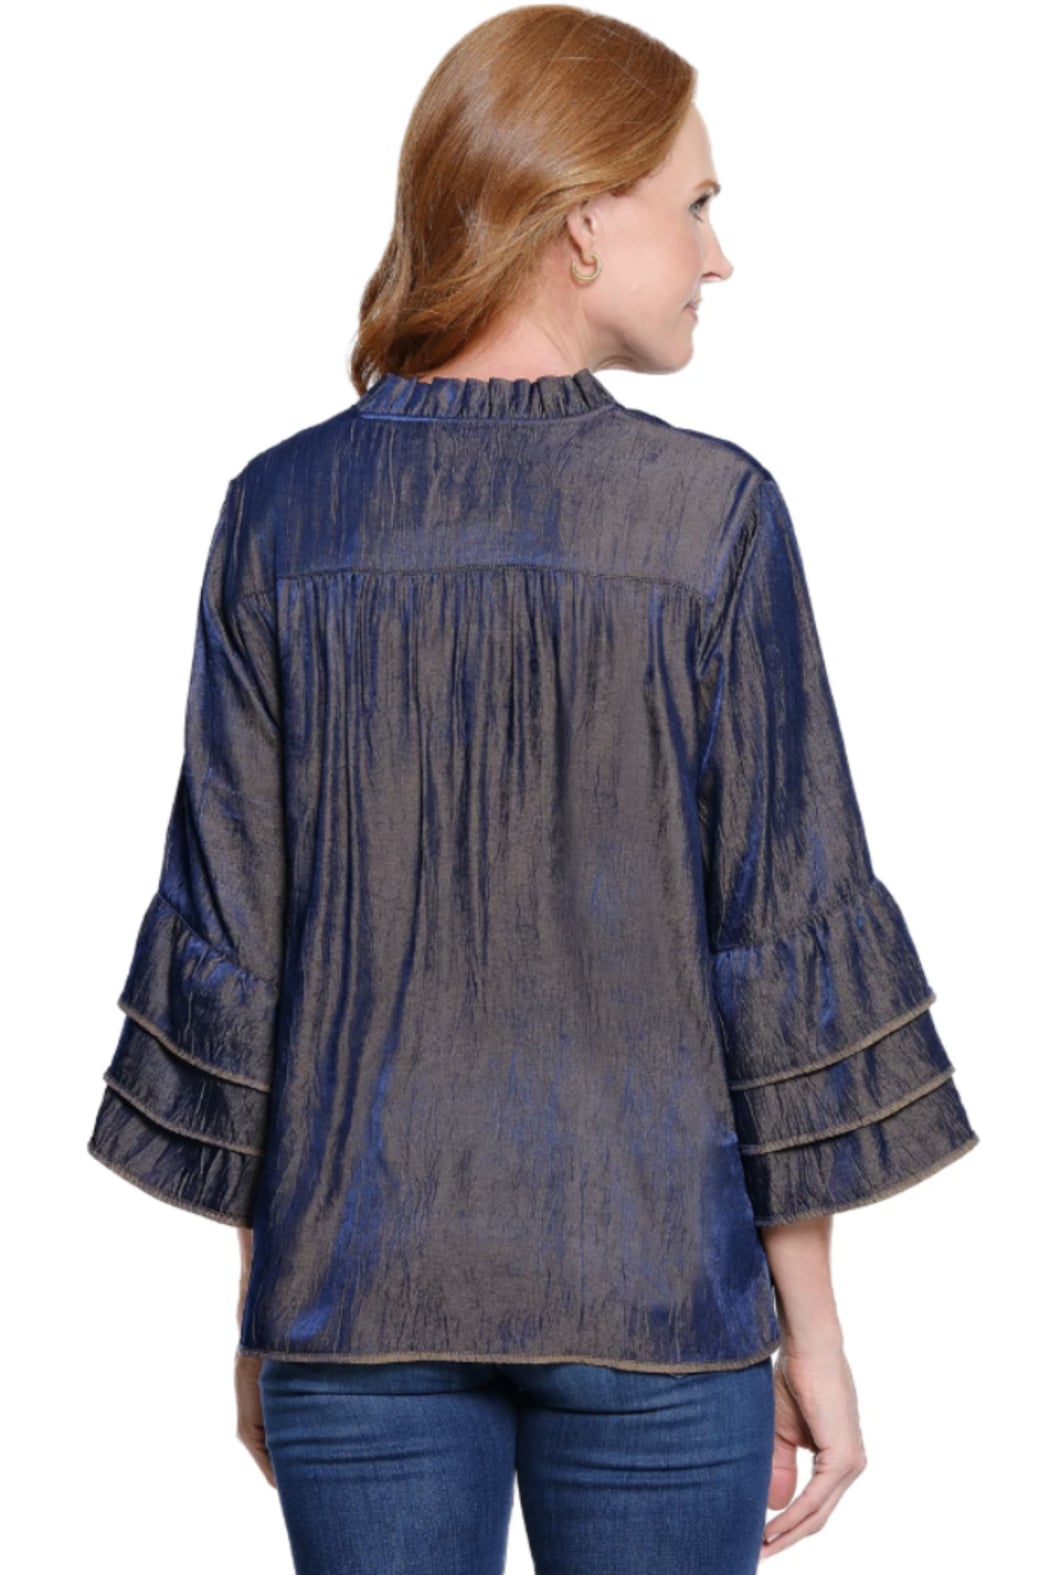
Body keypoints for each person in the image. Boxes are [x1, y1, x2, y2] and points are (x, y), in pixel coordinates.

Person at [86, 8, 979, 1573]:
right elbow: (778, 935)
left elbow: (238, 946)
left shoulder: (281, 514)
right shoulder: (708, 517)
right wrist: (815, 1333)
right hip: (660, 1293)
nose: (718, 257)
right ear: (578, 223)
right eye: (696, 204)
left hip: (352, 1300)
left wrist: (266, 1304)